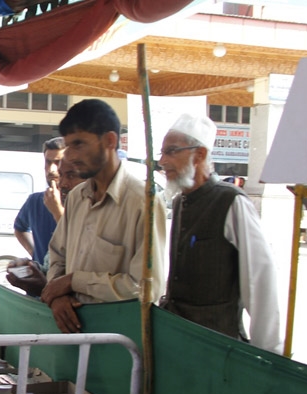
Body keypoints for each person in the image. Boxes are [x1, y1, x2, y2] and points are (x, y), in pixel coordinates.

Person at [41, 99, 167, 334]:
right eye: (68, 146)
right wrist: (57, 296)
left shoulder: (144, 203)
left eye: (79, 144)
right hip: (71, 337)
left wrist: (74, 281)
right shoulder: (78, 196)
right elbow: (58, 255)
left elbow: (146, 289)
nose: (72, 156)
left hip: (117, 340)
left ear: (110, 141)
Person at [159, 114, 282, 353]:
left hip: (218, 346)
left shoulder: (231, 201)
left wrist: (268, 354)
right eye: (162, 153)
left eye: (172, 151)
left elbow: (260, 282)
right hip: (180, 340)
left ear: (200, 154)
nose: (163, 161)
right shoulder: (180, 203)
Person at [7, 145, 83, 297]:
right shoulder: (37, 200)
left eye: (58, 162)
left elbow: (77, 246)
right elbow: (20, 228)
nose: (52, 170)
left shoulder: (83, 204)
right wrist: (32, 258)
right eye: (48, 162)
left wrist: (57, 212)